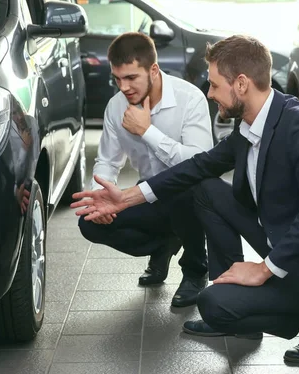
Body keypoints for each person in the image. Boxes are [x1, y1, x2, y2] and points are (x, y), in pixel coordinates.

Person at [71, 35, 299, 363]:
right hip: (280, 237)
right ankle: (233, 285)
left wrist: (264, 269)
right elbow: (197, 166)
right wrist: (126, 198)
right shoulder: (249, 128)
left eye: (215, 85)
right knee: (203, 186)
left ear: (242, 84)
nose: (210, 93)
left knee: (214, 305)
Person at [78, 32, 213, 307]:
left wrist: (147, 131)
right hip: (146, 194)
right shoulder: (116, 106)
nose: (123, 87)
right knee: (88, 223)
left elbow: (199, 164)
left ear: (153, 69)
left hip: (189, 194)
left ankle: (196, 271)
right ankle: (163, 245)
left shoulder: (190, 99)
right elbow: (107, 160)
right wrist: (99, 196)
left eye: (131, 78)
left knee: (185, 194)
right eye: (117, 79)